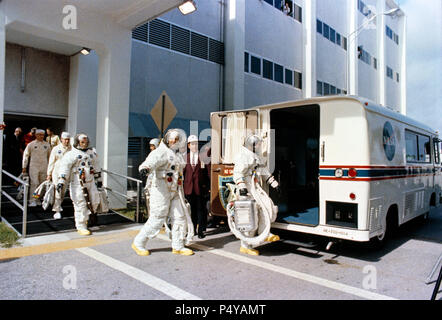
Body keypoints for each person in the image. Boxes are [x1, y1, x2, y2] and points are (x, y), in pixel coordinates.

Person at [132, 128, 194, 256]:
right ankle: (139, 243)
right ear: (167, 139)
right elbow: (149, 163)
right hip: (161, 190)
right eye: (173, 139)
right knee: (158, 218)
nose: (175, 141)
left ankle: (178, 245)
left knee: (179, 217)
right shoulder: (160, 152)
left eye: (177, 139)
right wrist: (145, 169)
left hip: (175, 190)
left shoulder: (176, 154)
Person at [231, 134, 280, 256]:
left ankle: (265, 232)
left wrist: (274, 183)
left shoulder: (255, 156)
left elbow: (263, 171)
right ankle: (246, 245)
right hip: (247, 188)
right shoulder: (243, 156)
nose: (259, 146)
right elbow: (237, 173)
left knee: (267, 206)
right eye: (257, 144)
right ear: (251, 144)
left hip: (255, 187)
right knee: (249, 216)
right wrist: (242, 187)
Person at [57, 133, 101, 236]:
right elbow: (64, 167)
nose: (85, 144)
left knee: (95, 201)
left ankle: (88, 218)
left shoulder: (91, 153)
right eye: (82, 142)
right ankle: (81, 225)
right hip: (78, 183)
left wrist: (99, 179)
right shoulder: (71, 154)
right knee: (80, 204)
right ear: (77, 142)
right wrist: (61, 181)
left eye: (86, 142)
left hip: (90, 182)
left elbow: (96, 165)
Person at [183, 135, 209, 239]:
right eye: (192, 144)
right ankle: (192, 229)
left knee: (201, 210)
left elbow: (207, 173)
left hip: (200, 188)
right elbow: (182, 173)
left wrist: (207, 187)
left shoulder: (203, 157)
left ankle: (201, 230)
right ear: (189, 145)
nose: (195, 146)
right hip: (188, 188)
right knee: (191, 210)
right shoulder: (185, 157)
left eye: (196, 144)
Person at [22, 129, 51, 207]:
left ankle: (37, 198)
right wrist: (24, 166)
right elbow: (26, 156)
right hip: (34, 166)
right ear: (36, 135)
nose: (41, 136)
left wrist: (50, 169)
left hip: (44, 166)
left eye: (42, 135)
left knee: (41, 184)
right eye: (39, 135)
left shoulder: (47, 145)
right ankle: (32, 200)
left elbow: (50, 157)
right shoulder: (31, 144)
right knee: (35, 183)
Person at [46, 132, 72, 219]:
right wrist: (49, 173)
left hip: (66, 173)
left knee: (63, 191)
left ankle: (58, 204)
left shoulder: (71, 149)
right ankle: (57, 210)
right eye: (65, 139)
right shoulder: (56, 149)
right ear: (61, 139)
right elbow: (51, 161)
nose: (66, 141)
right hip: (56, 172)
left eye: (68, 139)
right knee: (58, 189)